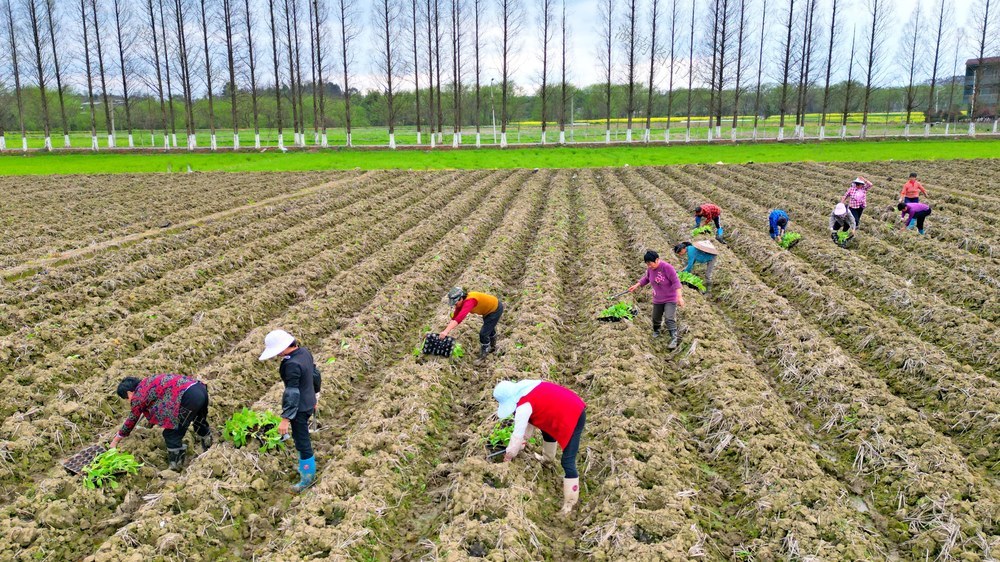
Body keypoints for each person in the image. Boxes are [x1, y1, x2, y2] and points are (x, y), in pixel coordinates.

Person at [494, 379, 586, 515]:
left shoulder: (523, 407)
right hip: (565, 406)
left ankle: (570, 504)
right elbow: (528, 425)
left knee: (567, 462)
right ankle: (547, 459)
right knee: (547, 429)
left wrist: (509, 454)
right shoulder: (526, 389)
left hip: (574, 414)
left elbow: (517, 434)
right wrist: (523, 442)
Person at [259, 329, 322, 493]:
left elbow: (292, 392)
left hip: (299, 408)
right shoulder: (304, 352)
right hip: (308, 402)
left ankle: (307, 479)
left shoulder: (291, 364)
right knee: (302, 439)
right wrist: (315, 395)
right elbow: (315, 374)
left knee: (302, 441)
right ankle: (306, 466)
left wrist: (286, 418)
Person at [110, 374, 212, 471]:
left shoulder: (138, 395)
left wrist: (116, 439)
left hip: (188, 398)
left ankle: (176, 466)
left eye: (126, 398)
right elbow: (158, 404)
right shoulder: (148, 382)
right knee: (199, 420)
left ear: (129, 392)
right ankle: (209, 446)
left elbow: (132, 418)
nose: (128, 401)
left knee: (171, 433)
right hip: (199, 389)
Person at [628, 250, 684, 348]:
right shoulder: (650, 269)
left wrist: (679, 297)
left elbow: (676, 282)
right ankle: (656, 331)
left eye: (650, 263)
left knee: (669, 318)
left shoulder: (667, 268)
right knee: (655, 318)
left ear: (657, 260)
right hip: (658, 298)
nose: (649, 266)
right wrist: (636, 285)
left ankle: (674, 338)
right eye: (647, 264)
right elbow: (646, 278)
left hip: (670, 298)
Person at [440, 287, 504, 361]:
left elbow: (459, 318)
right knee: (489, 328)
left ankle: (485, 353)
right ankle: (493, 346)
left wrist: (446, 331)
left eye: (455, 303)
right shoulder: (460, 304)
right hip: (487, 310)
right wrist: (445, 331)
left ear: (461, 298)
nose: (455, 305)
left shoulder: (470, 301)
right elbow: (455, 317)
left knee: (483, 334)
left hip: (495, 309)